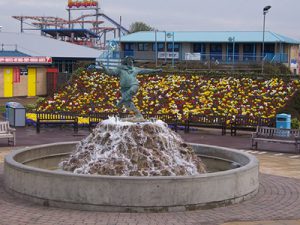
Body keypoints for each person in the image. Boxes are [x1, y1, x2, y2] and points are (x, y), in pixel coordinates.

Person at [97, 57, 162, 118]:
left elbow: (146, 70)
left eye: (131, 60)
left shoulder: (135, 69)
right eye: (128, 60)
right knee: (128, 104)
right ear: (126, 62)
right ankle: (138, 115)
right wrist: (103, 67)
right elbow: (110, 73)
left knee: (132, 90)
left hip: (134, 85)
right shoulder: (120, 69)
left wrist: (156, 70)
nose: (130, 61)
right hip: (124, 89)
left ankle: (121, 101)